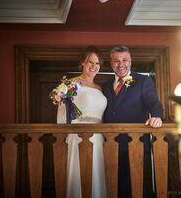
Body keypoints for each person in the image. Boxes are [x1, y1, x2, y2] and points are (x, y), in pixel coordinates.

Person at [102, 46, 163, 198]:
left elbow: (153, 102)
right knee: (113, 187)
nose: (120, 64)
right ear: (111, 63)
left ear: (130, 61)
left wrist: (157, 116)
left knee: (138, 187)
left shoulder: (143, 81)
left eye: (124, 60)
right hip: (109, 144)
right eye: (116, 60)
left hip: (136, 143)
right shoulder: (105, 85)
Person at [56, 46, 107, 198]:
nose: (94, 66)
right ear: (82, 64)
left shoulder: (99, 88)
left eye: (97, 63)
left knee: (96, 173)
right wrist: (64, 134)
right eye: (90, 62)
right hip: (77, 135)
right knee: (78, 174)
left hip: (98, 137)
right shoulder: (71, 84)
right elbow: (62, 112)